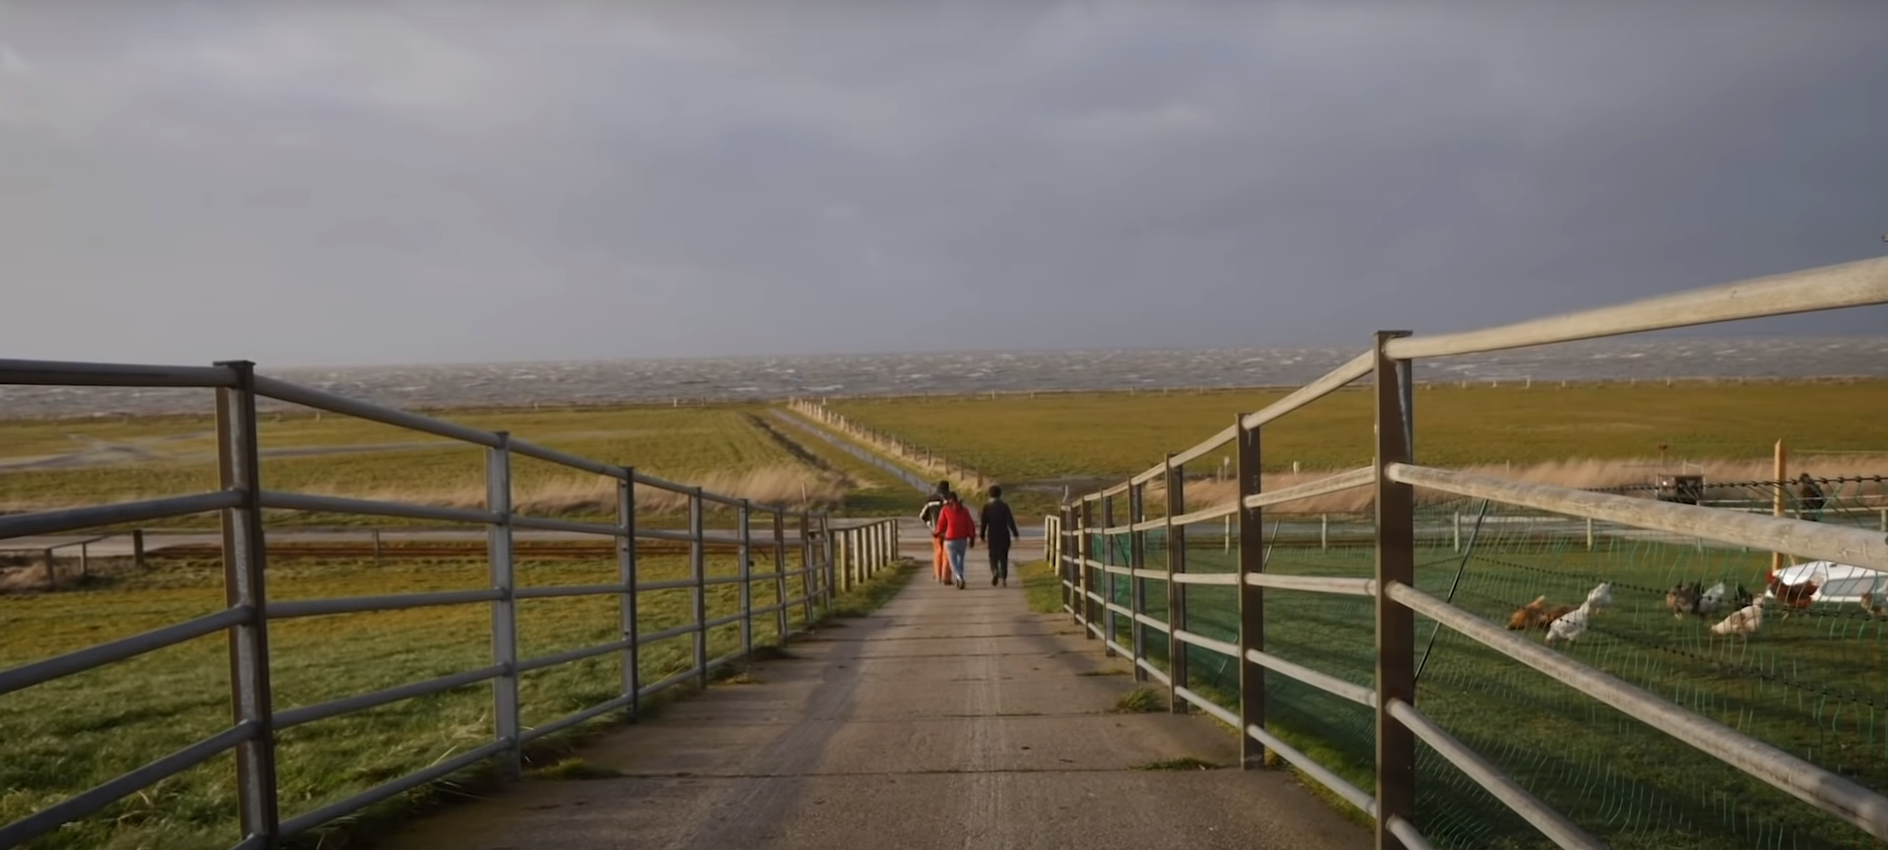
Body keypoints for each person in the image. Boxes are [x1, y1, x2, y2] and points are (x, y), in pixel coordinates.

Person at [933, 490, 978, 589]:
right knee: (960, 559)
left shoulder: (945, 509)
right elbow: (970, 524)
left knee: (952, 561)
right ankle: (960, 576)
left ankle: (959, 577)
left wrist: (936, 533)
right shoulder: (964, 510)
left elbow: (941, 525)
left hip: (950, 539)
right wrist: (972, 537)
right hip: (962, 539)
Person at [980, 484, 1021, 586]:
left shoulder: (987, 507)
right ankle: (1004, 578)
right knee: (1004, 557)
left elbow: (983, 523)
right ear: (1000, 495)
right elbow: (1010, 521)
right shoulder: (1004, 506)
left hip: (992, 535)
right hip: (1004, 535)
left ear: (989, 495)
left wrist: (982, 535)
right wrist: (1015, 534)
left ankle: (995, 571)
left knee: (993, 556)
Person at [918, 481, 953, 584]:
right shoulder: (949, 499)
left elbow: (922, 516)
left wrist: (930, 525)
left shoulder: (930, 499)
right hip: (948, 531)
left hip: (935, 531)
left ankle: (937, 575)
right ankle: (945, 576)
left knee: (937, 552)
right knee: (947, 554)